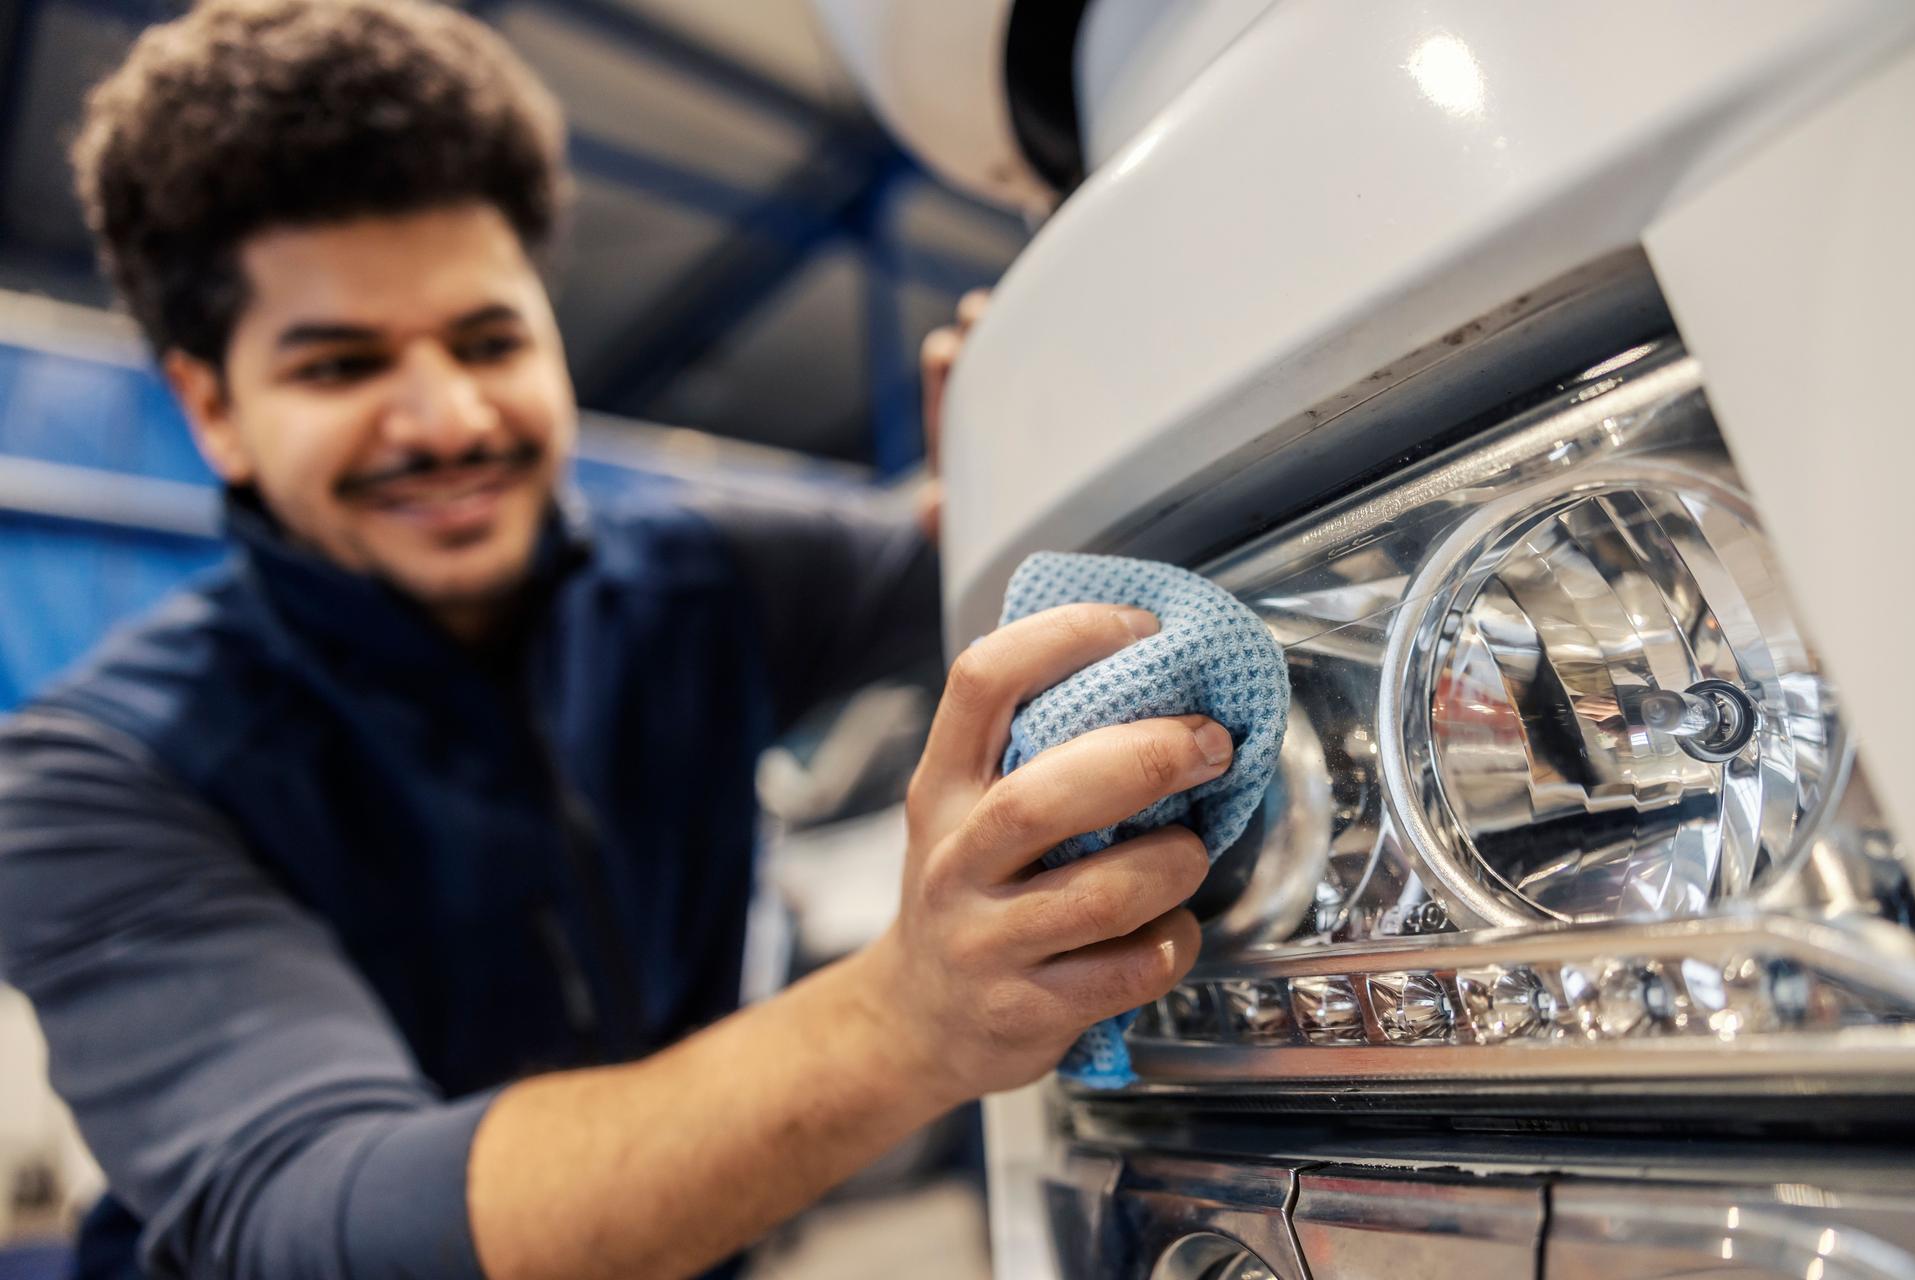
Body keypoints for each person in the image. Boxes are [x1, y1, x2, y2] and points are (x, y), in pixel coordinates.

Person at [0, 2, 1226, 1277]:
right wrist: (903, 1017)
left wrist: (1021, 446)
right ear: (215, 408)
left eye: (489, 339)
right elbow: (317, 1224)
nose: (451, 417)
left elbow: (967, 564)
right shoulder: (101, 771)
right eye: (342, 366)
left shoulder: (700, 585)